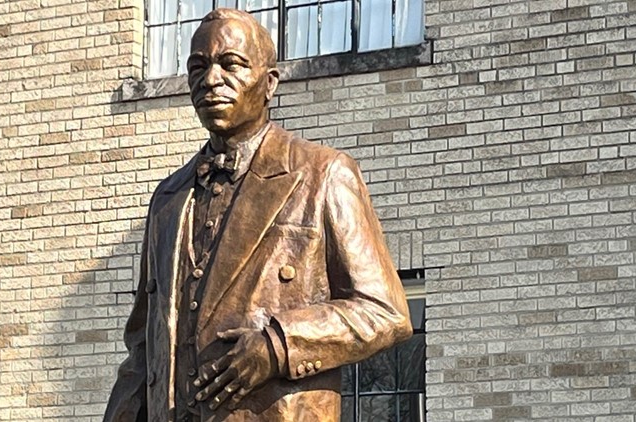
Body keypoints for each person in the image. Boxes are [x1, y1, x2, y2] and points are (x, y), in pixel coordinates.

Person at [103, 8, 412, 422]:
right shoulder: (169, 198)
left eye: (231, 64)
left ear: (269, 84)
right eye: (198, 66)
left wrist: (278, 346)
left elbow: (385, 312)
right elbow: (143, 349)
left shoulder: (322, 174)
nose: (211, 80)